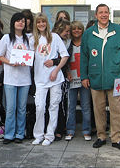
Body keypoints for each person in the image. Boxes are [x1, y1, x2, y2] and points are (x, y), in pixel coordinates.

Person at [80, 4, 120, 151]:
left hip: (116, 78)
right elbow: (84, 56)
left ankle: (116, 138)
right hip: (95, 78)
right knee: (98, 109)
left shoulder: (119, 31)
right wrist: (84, 76)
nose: (103, 15)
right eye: (100, 12)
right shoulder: (89, 33)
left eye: (106, 12)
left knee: (116, 109)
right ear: (96, 15)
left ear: (109, 14)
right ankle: (101, 136)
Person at [30, 13, 69, 146]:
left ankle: (49, 135)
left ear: (47, 23)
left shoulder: (55, 37)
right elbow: (27, 56)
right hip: (40, 79)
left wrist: (56, 69)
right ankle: (38, 135)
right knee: (40, 107)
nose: (41, 24)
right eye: (38, 22)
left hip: (55, 78)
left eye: (43, 22)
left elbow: (64, 56)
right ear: (36, 24)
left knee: (54, 106)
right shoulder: (32, 39)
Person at [0, 13, 32, 144]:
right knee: (10, 108)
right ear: (13, 23)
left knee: (22, 108)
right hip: (10, 79)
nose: (21, 23)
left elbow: (31, 55)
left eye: (23, 21)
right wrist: (10, 62)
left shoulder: (29, 38)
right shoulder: (6, 38)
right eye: (18, 21)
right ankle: (9, 134)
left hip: (25, 79)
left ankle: (20, 134)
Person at [65, 21, 92, 141]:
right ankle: (70, 130)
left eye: (79, 29)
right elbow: (64, 60)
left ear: (83, 30)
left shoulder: (87, 44)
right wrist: (67, 72)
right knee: (70, 106)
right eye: (74, 29)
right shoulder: (67, 44)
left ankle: (86, 130)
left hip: (84, 78)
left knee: (85, 106)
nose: (76, 31)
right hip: (71, 78)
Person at [51, 19, 71, 141]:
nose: (68, 33)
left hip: (61, 76)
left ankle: (60, 129)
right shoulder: (50, 39)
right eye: (66, 31)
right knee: (52, 104)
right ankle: (51, 129)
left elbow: (66, 59)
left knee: (61, 103)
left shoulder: (67, 43)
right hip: (49, 76)